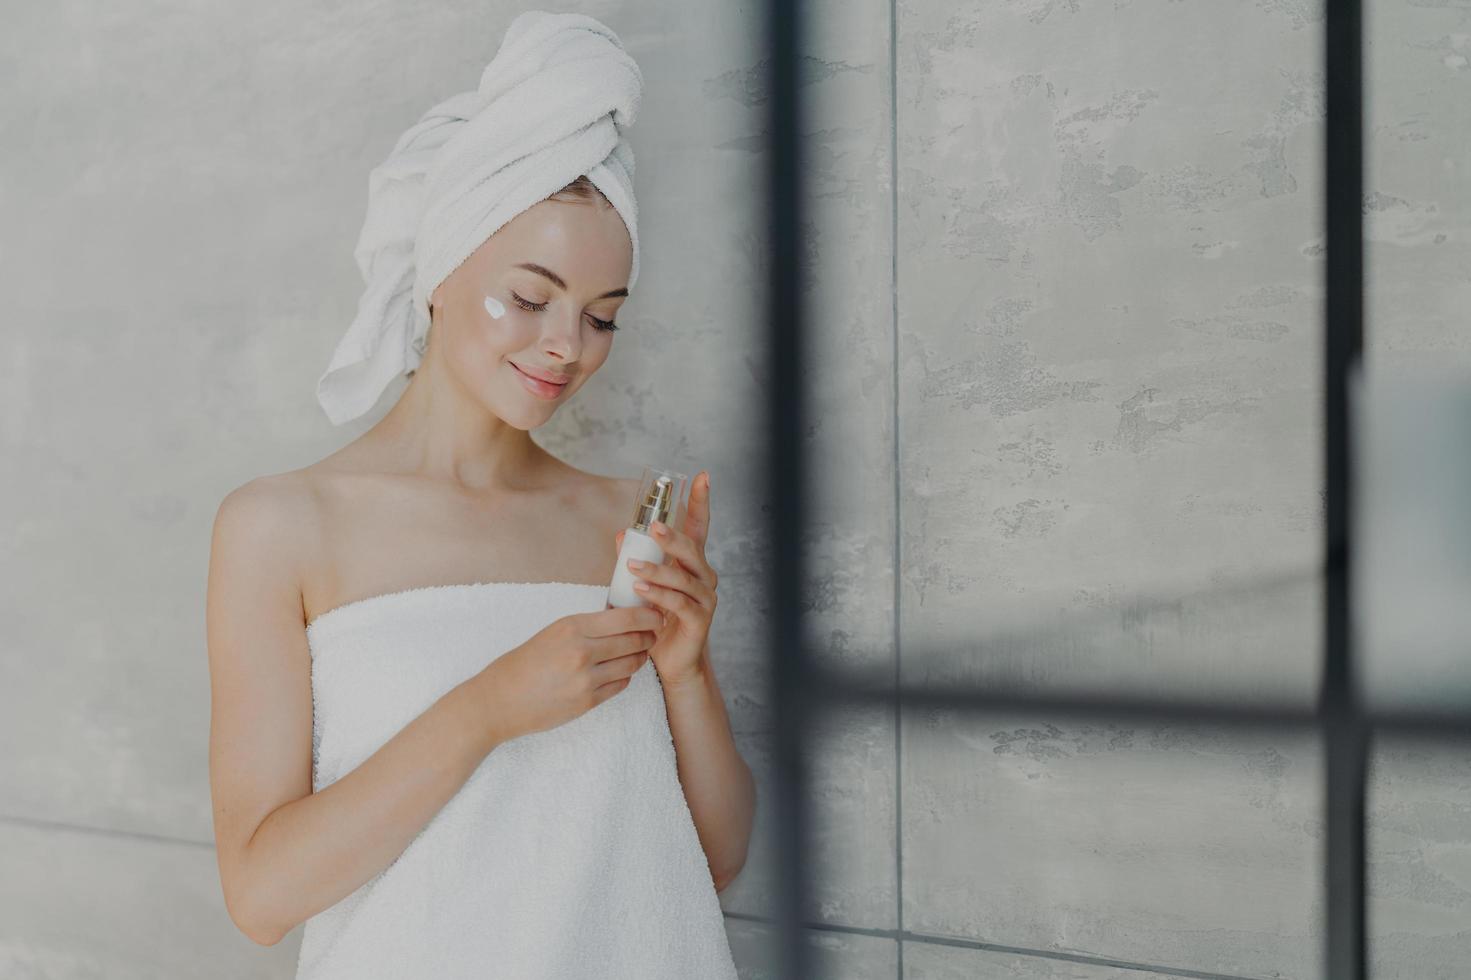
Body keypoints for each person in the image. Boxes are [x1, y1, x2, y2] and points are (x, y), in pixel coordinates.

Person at [204, 12, 753, 978]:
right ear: (438, 274)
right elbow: (260, 897)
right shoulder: (283, 528)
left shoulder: (624, 523)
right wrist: (489, 708)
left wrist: (687, 673)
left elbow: (706, 865)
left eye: (601, 318)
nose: (565, 346)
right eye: (530, 297)